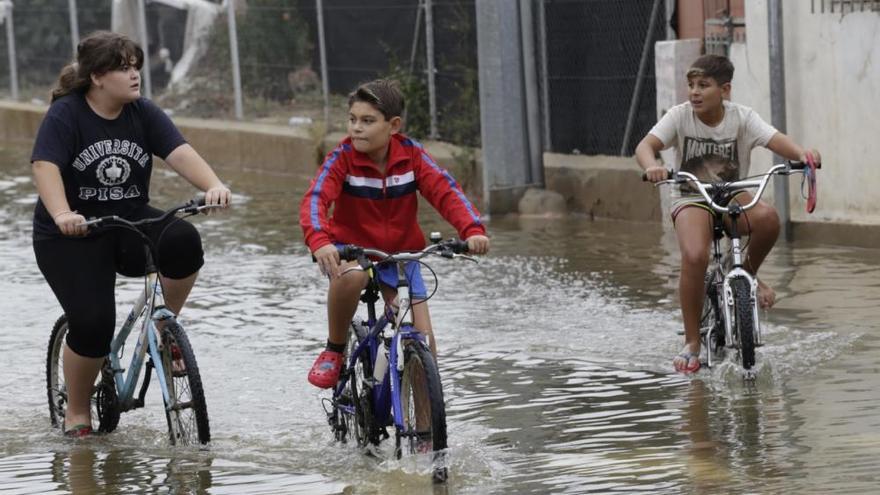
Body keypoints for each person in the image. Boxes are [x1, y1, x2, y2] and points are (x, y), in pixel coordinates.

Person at [31, 31, 231, 437]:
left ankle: (163, 329)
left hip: (128, 220)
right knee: (93, 324)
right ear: (99, 76)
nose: (135, 74)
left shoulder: (143, 112)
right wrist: (63, 213)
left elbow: (179, 151)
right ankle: (77, 411)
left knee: (183, 240)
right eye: (124, 67)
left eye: (136, 65)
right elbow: (44, 166)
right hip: (72, 234)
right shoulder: (67, 114)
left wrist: (214, 185)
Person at [635, 54, 820, 374]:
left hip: (732, 193)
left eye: (703, 86)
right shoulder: (679, 116)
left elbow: (778, 142)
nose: (694, 92)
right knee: (694, 255)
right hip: (692, 195)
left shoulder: (742, 117)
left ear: (725, 90)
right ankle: (692, 342)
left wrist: (804, 155)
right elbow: (645, 146)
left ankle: (747, 274)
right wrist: (652, 165)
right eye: (691, 85)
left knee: (768, 220)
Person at [299, 79, 490, 389]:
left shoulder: (411, 155)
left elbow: (446, 191)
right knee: (351, 277)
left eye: (368, 121)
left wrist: (472, 231)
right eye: (352, 119)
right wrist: (320, 241)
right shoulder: (342, 157)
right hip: (354, 252)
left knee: (424, 344)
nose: (356, 128)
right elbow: (316, 198)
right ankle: (334, 349)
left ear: (394, 125)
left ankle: (427, 434)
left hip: (402, 257)